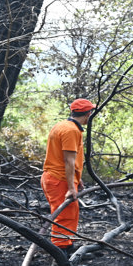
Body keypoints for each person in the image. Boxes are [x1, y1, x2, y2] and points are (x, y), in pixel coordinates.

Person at [41, 98, 95, 256]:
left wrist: (78, 179)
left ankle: (68, 246)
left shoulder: (64, 125)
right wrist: (71, 187)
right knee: (63, 217)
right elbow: (68, 161)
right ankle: (60, 256)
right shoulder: (70, 130)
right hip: (59, 180)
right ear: (87, 114)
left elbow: (65, 159)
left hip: (58, 177)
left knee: (71, 212)